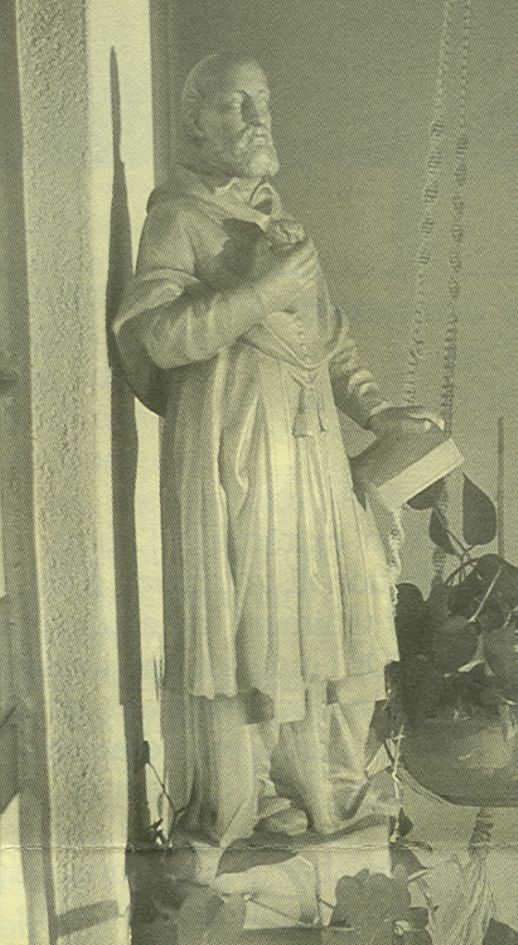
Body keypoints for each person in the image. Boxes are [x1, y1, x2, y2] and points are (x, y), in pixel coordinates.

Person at [113, 53, 431, 845]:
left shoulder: (277, 220)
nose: (257, 120)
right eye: (235, 105)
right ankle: (247, 797)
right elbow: (155, 336)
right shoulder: (178, 219)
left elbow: (329, 336)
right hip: (239, 449)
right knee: (253, 618)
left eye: (261, 102)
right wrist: (260, 293)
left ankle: (325, 789)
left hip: (309, 450)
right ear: (196, 123)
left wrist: (376, 407)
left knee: (329, 608)